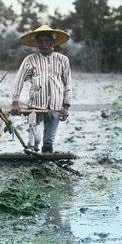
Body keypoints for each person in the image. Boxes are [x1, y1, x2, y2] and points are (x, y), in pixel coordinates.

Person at [10, 24, 72, 153]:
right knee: (35, 138)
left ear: (53, 42)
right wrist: (15, 102)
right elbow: (19, 80)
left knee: (49, 141)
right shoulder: (30, 60)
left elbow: (68, 83)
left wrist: (66, 106)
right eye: (40, 41)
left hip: (56, 105)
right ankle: (32, 151)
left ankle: (46, 160)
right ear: (36, 44)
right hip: (36, 106)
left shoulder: (63, 60)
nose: (43, 44)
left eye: (46, 41)